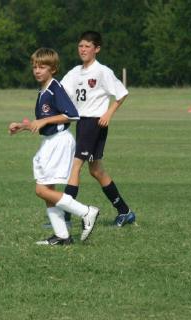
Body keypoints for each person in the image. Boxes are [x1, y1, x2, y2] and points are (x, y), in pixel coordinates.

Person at [9, 48, 100, 245]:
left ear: (53, 69)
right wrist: (24, 126)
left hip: (59, 141)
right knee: (46, 188)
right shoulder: (43, 90)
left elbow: (72, 114)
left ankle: (86, 212)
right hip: (50, 141)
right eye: (34, 67)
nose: (37, 70)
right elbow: (42, 121)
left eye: (42, 67)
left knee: (41, 189)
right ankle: (62, 237)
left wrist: (44, 122)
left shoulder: (54, 88)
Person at [60, 31, 136, 227]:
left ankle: (65, 217)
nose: (83, 49)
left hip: (94, 123)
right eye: (80, 46)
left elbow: (121, 93)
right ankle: (124, 211)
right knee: (96, 170)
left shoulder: (102, 71)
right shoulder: (75, 72)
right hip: (82, 123)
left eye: (87, 46)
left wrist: (108, 114)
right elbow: (61, 92)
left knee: (75, 166)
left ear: (97, 49)